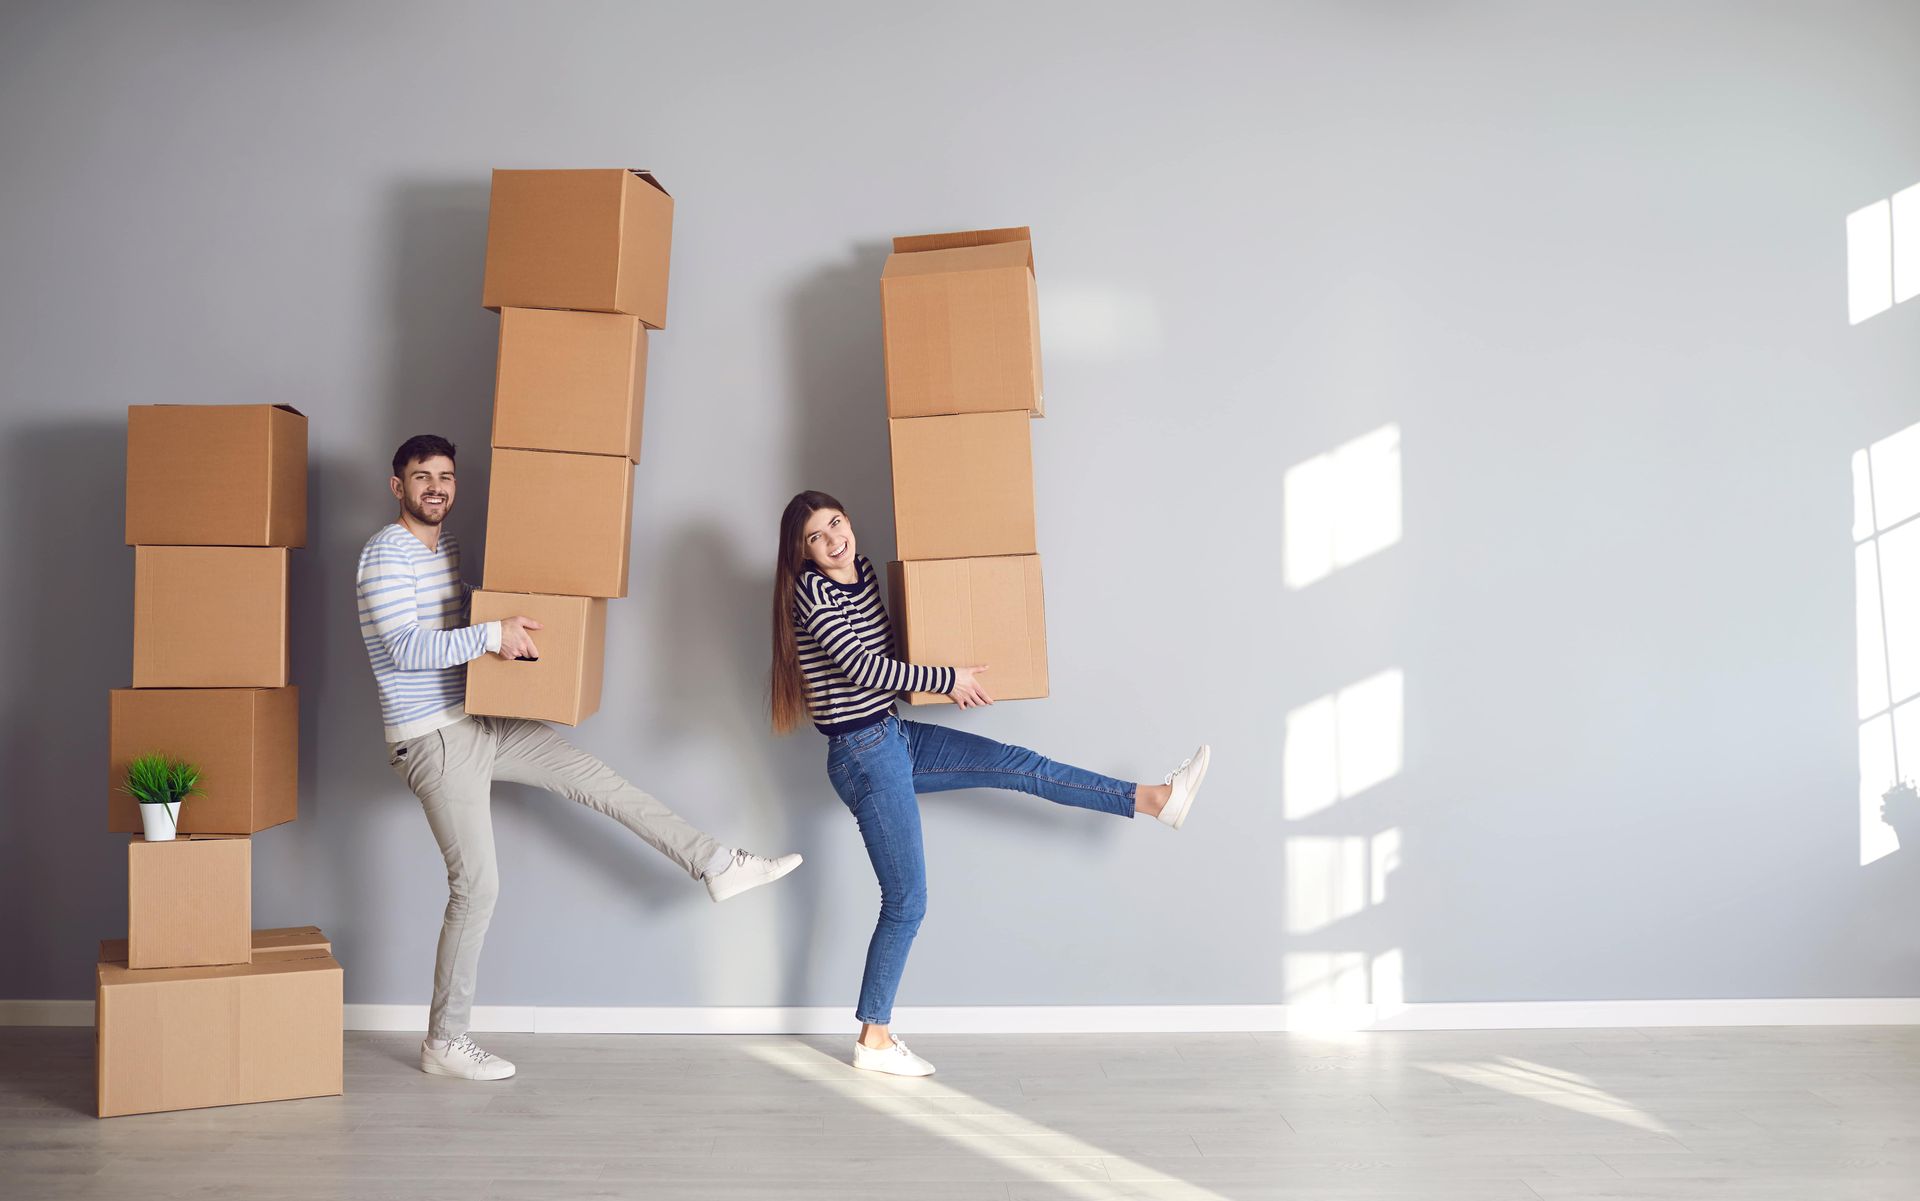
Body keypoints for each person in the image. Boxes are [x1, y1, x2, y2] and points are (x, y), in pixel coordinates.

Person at [359, 435, 802, 1081]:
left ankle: (715, 864)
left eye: (445, 476)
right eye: (422, 477)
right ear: (397, 486)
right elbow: (404, 647)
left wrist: (519, 614)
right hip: (433, 738)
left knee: (596, 779)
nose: (436, 487)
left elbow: (465, 614)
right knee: (477, 888)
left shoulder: (444, 548)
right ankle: (445, 1041)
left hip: (478, 717)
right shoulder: (386, 553)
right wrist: (492, 634)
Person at [767, 490, 1211, 1077]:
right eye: (816, 537)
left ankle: (1155, 800)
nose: (833, 541)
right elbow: (863, 667)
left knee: (1019, 765)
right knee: (907, 900)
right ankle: (874, 1038)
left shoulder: (864, 572)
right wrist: (946, 679)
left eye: (836, 524)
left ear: (849, 521)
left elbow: (894, 653)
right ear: (803, 552)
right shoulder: (812, 592)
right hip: (862, 754)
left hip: (892, 735)